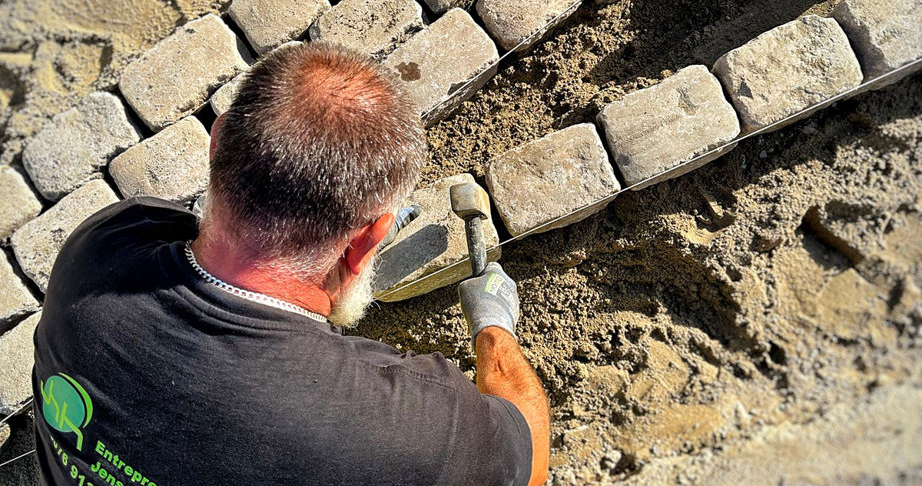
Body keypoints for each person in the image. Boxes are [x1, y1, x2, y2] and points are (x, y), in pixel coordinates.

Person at [32, 42, 550, 486]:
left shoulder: (101, 250)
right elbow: (527, 464)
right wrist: (493, 327)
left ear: (216, 144)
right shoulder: (410, 428)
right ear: (366, 241)